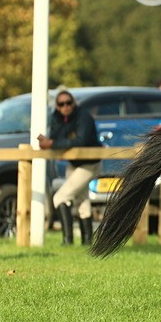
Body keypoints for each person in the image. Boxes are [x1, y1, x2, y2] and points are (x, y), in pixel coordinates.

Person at [37, 87, 102, 245]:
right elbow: (57, 138)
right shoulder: (57, 118)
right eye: (61, 104)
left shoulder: (83, 116)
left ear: (73, 103)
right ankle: (87, 242)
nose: (65, 106)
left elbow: (80, 141)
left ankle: (68, 240)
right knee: (81, 201)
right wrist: (50, 142)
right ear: (57, 106)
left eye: (68, 103)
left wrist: (51, 143)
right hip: (74, 163)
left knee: (60, 197)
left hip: (90, 163)